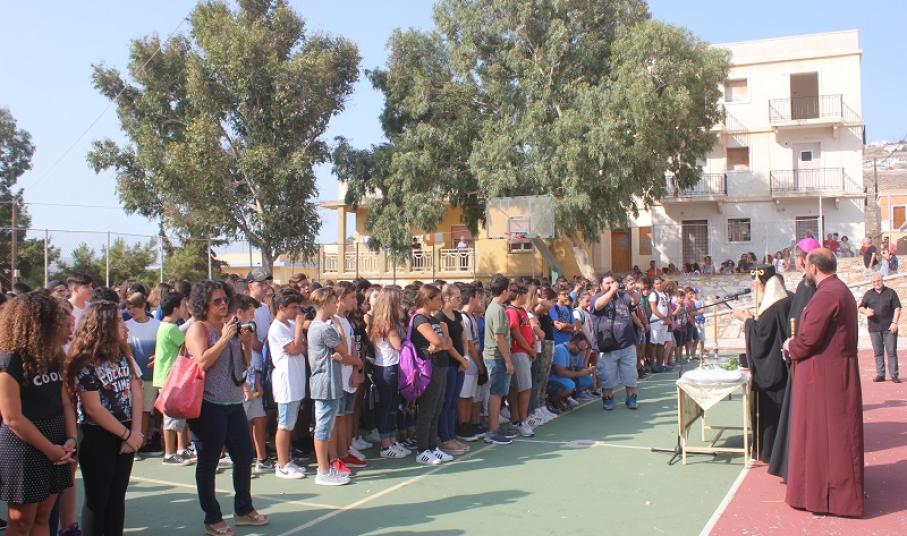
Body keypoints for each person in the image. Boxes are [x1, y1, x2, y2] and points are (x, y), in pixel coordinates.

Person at [782, 249, 864, 517]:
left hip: (826, 377)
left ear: (814, 268)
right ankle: (826, 494)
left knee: (825, 437)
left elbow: (808, 340)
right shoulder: (839, 290)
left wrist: (790, 346)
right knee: (833, 436)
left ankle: (825, 496)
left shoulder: (826, 295)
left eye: (805, 265)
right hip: (834, 371)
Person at [184, 281, 268, 534]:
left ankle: (243, 509)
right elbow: (203, 362)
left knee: (244, 455)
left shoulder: (229, 326)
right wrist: (224, 338)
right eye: (217, 301)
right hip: (208, 405)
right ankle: (212, 517)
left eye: (225, 300)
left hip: (233, 403)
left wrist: (245, 343)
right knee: (208, 462)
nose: (223, 305)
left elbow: (243, 366)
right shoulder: (199, 328)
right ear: (204, 304)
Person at [0, 293, 76, 536]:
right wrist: (50, 450)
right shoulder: (9, 360)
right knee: (21, 523)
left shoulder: (54, 355)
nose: (61, 324)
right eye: (54, 319)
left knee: (43, 518)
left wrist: (71, 439)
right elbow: (12, 418)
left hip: (57, 443)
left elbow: (65, 401)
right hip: (24, 447)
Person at [66, 300, 144, 536]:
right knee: (98, 499)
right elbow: (93, 409)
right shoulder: (84, 362)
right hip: (96, 434)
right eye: (119, 321)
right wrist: (127, 435)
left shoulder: (123, 355)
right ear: (104, 325)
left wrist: (136, 432)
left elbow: (136, 392)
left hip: (126, 432)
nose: (125, 326)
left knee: (117, 497)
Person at [734, 265, 790, 463]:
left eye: (756, 285)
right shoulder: (784, 301)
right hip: (783, 367)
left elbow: (761, 338)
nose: (753, 288)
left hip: (772, 371)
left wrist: (747, 320)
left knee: (771, 413)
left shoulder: (773, 307)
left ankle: (770, 452)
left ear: (764, 285)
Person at [306, 287, 353, 486]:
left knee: (325, 426)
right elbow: (344, 349)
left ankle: (325, 469)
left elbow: (341, 353)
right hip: (325, 383)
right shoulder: (324, 328)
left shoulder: (317, 326)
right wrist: (339, 328)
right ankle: (323, 471)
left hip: (326, 381)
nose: (336, 305)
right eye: (334, 302)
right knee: (323, 428)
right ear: (324, 303)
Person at [267, 288, 309, 479]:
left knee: (290, 423)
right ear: (281, 307)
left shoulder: (291, 324)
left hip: (296, 379)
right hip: (286, 382)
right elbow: (294, 348)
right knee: (284, 424)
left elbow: (303, 347)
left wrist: (297, 332)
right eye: (293, 307)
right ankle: (282, 465)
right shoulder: (277, 327)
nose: (297, 311)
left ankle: (287, 459)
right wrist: (299, 328)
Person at [368, 287, 411, 458]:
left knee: (393, 406)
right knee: (387, 407)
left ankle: (392, 440)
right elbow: (398, 345)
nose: (401, 303)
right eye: (398, 300)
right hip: (387, 367)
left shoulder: (388, 321)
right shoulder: (387, 323)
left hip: (390, 366)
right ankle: (386, 445)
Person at [153, 290, 194, 466]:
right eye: (183, 306)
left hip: (168, 377)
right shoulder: (171, 328)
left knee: (177, 416)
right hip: (169, 378)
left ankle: (180, 450)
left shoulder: (165, 326)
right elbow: (187, 344)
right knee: (170, 418)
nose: (185, 308)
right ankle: (169, 454)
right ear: (176, 309)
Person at [591, 273, 640, 410]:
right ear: (601, 285)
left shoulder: (623, 296)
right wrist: (611, 291)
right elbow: (598, 306)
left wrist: (632, 291)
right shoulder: (597, 297)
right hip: (608, 345)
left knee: (630, 375)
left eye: (613, 282)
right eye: (607, 283)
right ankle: (608, 399)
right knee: (607, 376)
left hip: (627, 343)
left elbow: (635, 301)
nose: (611, 285)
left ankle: (631, 398)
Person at [123, 291, 161, 458]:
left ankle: (141, 443)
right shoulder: (126, 325)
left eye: (134, 308)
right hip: (132, 377)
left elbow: (163, 346)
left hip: (151, 375)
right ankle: (133, 443)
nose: (131, 311)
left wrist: (158, 356)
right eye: (128, 308)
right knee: (132, 410)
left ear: (143, 306)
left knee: (145, 410)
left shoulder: (157, 325)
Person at [436, 284, 472, 453]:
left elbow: (463, 337)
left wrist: (465, 357)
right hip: (448, 364)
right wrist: (461, 360)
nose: (460, 300)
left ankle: (451, 435)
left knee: (453, 401)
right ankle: (445, 438)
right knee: (446, 401)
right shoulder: (440, 317)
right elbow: (447, 343)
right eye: (457, 297)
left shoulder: (458, 315)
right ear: (447, 298)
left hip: (460, 364)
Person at [483, 274, 515, 445]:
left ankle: (494, 428)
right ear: (504, 291)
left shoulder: (494, 308)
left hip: (495, 356)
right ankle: (492, 430)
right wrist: (508, 360)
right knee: (496, 394)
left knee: (497, 393)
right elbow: (499, 337)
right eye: (509, 289)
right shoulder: (497, 310)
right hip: (496, 357)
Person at [504, 284, 536, 437]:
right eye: (524, 294)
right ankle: (521, 421)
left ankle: (516, 420)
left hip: (525, 352)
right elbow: (515, 333)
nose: (526, 297)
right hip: (518, 353)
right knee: (524, 388)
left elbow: (528, 330)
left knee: (518, 387)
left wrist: (532, 346)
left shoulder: (522, 310)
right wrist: (529, 349)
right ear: (518, 295)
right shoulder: (511, 311)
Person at [859, 272, 901, 383]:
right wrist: (866, 311)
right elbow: (860, 308)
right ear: (872, 283)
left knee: (891, 352)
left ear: (882, 280)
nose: (876, 283)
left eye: (878, 281)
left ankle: (894, 375)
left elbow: (897, 308)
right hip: (874, 329)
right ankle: (881, 374)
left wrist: (894, 323)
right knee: (878, 352)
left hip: (889, 328)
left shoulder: (891, 292)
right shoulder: (868, 294)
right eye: (874, 282)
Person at [547, 333, 595, 409]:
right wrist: (580, 373)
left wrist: (588, 370)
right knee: (570, 385)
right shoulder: (560, 349)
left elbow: (579, 368)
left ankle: (566, 397)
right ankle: (551, 401)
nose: (581, 352)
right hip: (553, 377)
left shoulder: (579, 352)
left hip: (567, 377)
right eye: (580, 349)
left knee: (588, 380)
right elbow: (561, 372)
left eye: (583, 350)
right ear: (572, 343)